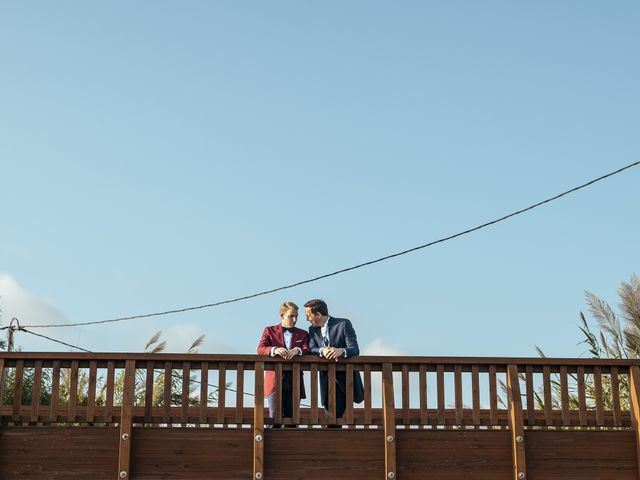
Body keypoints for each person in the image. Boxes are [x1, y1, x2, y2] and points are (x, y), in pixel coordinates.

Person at [305, 299, 364, 421]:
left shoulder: (343, 324)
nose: (307, 319)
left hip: (345, 379)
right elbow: (312, 349)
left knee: (337, 417)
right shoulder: (312, 330)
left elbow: (354, 349)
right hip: (326, 379)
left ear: (318, 314)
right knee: (330, 416)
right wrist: (323, 350)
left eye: (309, 316)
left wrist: (340, 351)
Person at [257, 301, 309, 425]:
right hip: (274, 380)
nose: (295, 319)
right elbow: (260, 349)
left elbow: (308, 349)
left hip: (295, 379)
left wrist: (298, 350)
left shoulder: (303, 333)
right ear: (282, 315)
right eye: (291, 316)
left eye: (296, 316)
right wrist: (274, 350)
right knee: (274, 418)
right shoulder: (269, 330)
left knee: (293, 419)